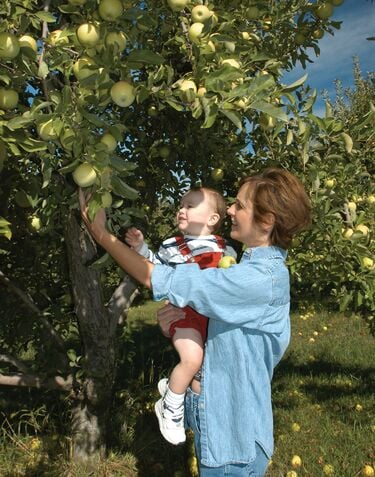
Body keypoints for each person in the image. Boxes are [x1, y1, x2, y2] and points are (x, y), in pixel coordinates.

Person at [79, 167, 311, 477]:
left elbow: (164, 279)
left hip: (231, 438)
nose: (229, 209)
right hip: (220, 423)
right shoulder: (248, 269)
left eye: (239, 205)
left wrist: (102, 236)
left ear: (266, 221)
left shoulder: (257, 280)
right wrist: (179, 323)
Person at [124, 187, 236, 445]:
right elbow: (155, 269)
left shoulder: (226, 250)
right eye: (181, 204)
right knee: (192, 358)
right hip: (183, 314)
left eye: (190, 206)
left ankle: (176, 390)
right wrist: (141, 248)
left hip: (212, 318)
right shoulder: (172, 246)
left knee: (204, 370)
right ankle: (171, 408)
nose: (181, 209)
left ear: (212, 219)